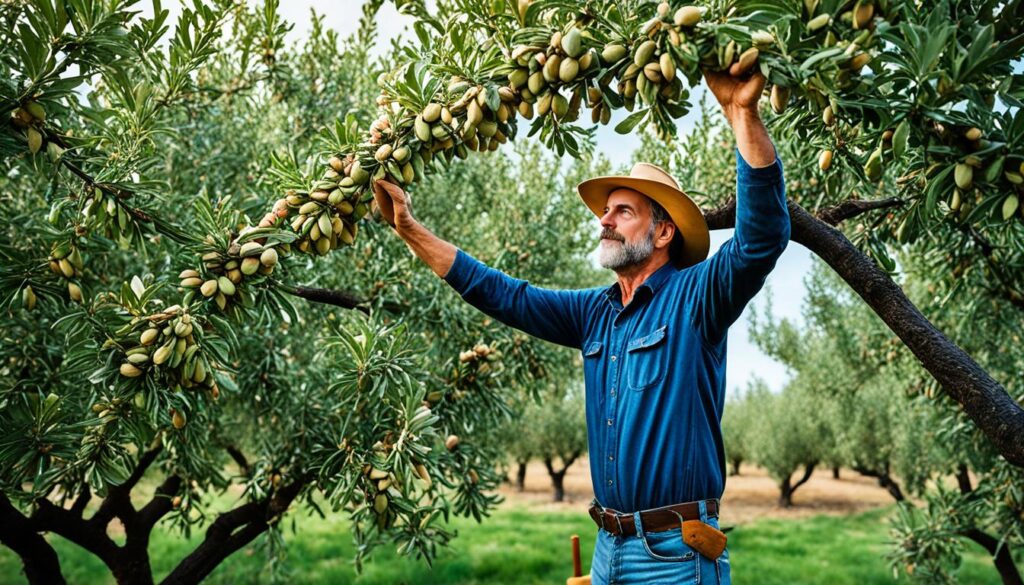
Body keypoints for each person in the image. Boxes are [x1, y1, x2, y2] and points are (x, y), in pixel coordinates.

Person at [371, 67, 789, 585]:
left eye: (622, 211)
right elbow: (504, 294)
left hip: (674, 558)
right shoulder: (595, 313)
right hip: (607, 547)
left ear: (662, 233)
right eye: (605, 211)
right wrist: (411, 230)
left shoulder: (697, 297)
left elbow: (760, 241)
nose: (604, 220)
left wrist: (743, 115)